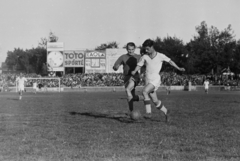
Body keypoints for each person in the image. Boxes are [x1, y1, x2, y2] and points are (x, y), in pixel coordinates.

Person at [131, 39, 185, 122]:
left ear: (152, 47)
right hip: (147, 80)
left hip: (155, 79)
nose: (146, 50)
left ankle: (148, 113)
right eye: (145, 49)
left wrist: (178, 68)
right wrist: (134, 71)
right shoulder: (145, 57)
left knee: (144, 92)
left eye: (147, 48)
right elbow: (139, 65)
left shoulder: (160, 56)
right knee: (155, 101)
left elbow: (170, 61)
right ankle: (167, 112)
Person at [113, 42, 143, 115]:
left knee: (128, 90)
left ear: (134, 49)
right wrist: (116, 67)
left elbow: (144, 65)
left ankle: (131, 112)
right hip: (126, 77)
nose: (131, 51)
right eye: (129, 49)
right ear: (127, 49)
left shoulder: (139, 57)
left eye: (132, 49)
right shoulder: (123, 57)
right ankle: (143, 98)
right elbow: (115, 66)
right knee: (131, 96)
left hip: (135, 76)